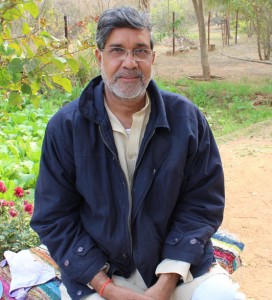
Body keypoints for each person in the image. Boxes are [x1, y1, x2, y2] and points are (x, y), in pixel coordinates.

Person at [31, 6, 246, 300]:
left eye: (140, 51)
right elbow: (55, 217)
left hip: (177, 267)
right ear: (99, 57)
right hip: (98, 273)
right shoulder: (66, 128)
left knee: (224, 296)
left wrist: (167, 280)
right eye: (117, 50)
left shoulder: (186, 119)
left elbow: (202, 202)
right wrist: (106, 286)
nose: (129, 62)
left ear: (152, 58)